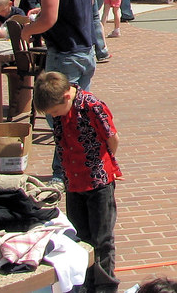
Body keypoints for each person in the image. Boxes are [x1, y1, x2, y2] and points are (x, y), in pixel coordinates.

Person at [21, 0, 98, 183]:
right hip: (85, 51)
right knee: (76, 112)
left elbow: (49, 20)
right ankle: (84, 161)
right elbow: (83, 5)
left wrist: (28, 30)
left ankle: (62, 173)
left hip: (65, 54)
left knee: (60, 116)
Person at [34, 71, 121, 293]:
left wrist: (104, 164)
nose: (54, 115)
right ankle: (84, 283)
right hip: (73, 181)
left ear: (66, 96)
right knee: (81, 237)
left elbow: (112, 137)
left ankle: (104, 287)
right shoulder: (60, 110)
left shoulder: (91, 105)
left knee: (101, 239)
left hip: (97, 180)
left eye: (54, 111)